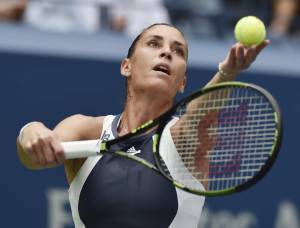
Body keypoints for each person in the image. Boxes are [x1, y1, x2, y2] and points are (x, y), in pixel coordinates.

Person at [17, 23, 269, 227]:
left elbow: (201, 114)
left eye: (178, 51)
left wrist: (227, 73)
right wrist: (31, 131)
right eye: (154, 44)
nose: (167, 52)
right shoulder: (86, 130)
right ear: (127, 66)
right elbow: (34, 154)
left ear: (182, 82)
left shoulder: (184, 139)